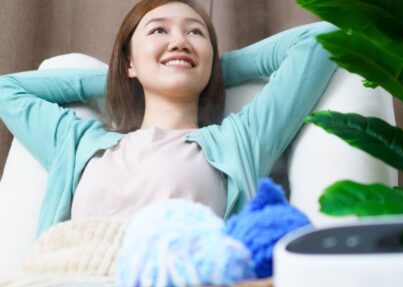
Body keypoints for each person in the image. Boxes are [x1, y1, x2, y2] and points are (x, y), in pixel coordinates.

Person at [0, 0, 337, 239]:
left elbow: (320, 40)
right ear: (129, 62)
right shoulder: (77, 144)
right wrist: (119, 77)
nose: (179, 41)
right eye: (159, 30)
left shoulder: (239, 142)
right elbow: (6, 89)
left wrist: (212, 69)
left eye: (195, 34)